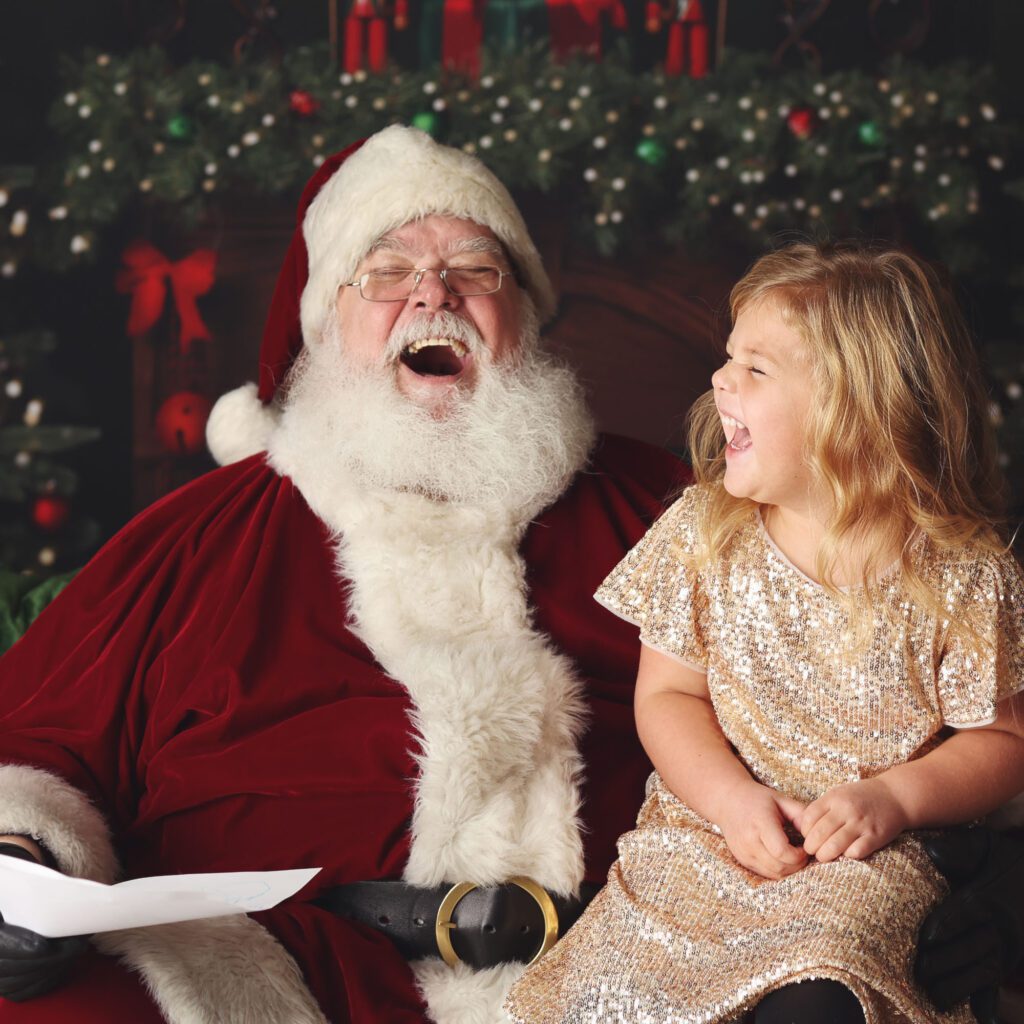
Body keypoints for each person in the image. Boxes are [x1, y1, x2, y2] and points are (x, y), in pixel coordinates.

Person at [0, 125, 690, 1023]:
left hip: (619, 955)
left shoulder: (670, 514)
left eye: (477, 269)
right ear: (327, 324)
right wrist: (19, 849)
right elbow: (38, 741)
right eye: (387, 272)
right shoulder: (195, 539)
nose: (433, 293)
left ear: (525, 314)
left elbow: (827, 693)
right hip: (271, 961)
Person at [503, 241, 1024, 1024]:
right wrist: (731, 799)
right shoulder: (704, 534)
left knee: (822, 988)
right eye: (726, 357)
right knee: (610, 991)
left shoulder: (964, 574)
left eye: (756, 368)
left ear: (861, 403)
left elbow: (1004, 740)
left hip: (861, 855)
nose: (720, 379)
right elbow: (668, 696)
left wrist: (897, 798)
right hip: (705, 836)